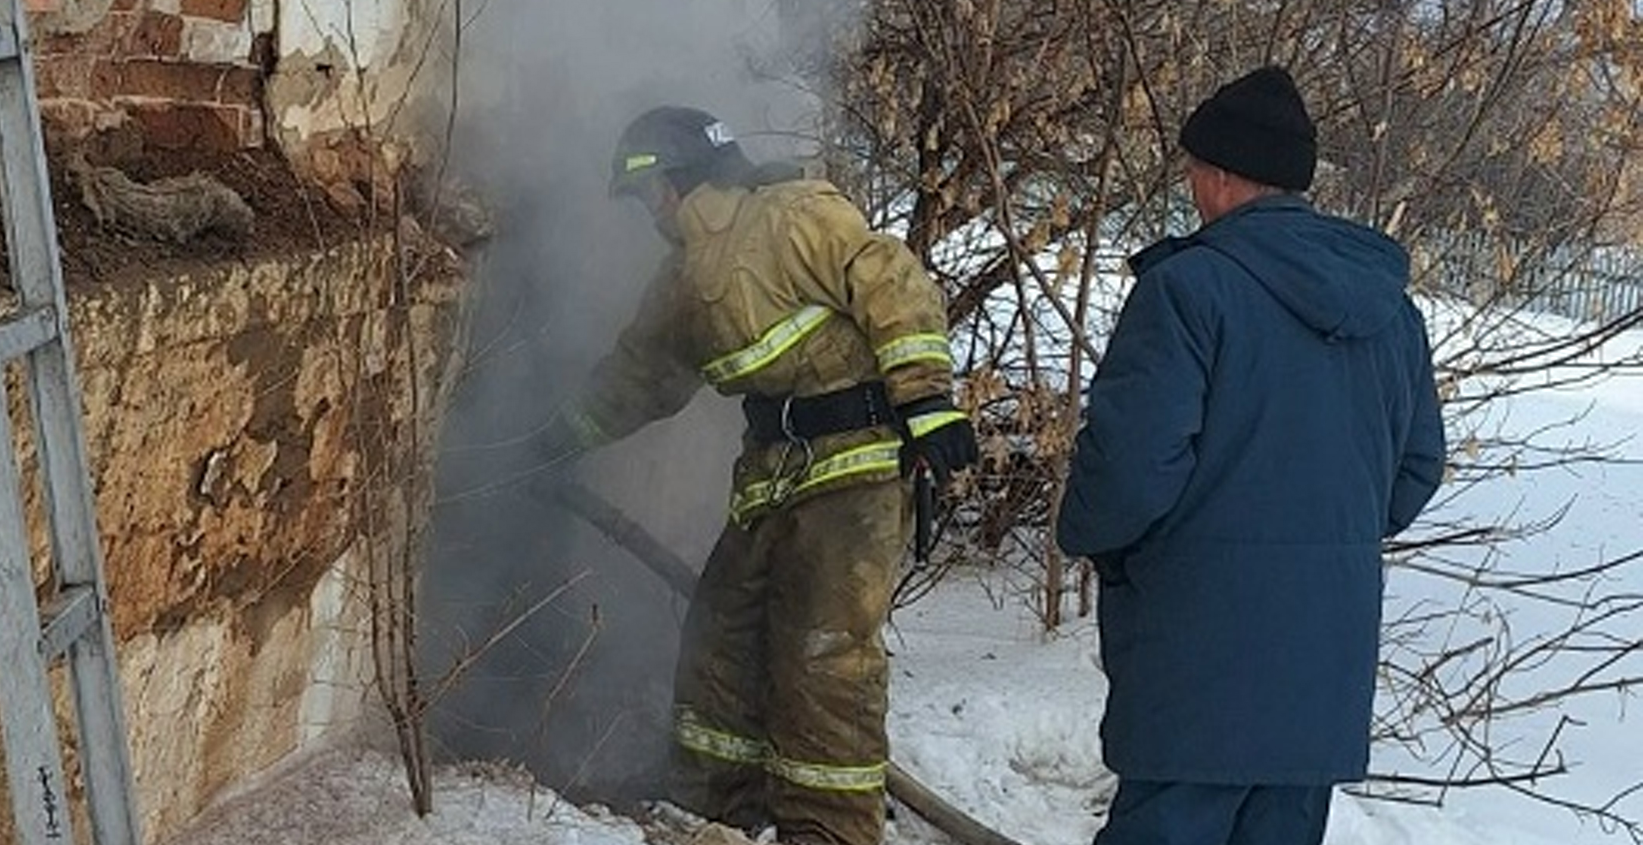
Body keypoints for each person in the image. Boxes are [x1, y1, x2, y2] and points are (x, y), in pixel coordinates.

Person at [530, 105, 977, 845]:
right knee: (720, 641)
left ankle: (828, 830)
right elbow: (639, 376)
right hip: (773, 476)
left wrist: (926, 399)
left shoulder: (794, 212)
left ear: (673, 182)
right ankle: (713, 807)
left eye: (645, 196)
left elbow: (891, 277)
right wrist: (556, 438)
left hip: (856, 472)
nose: (646, 215)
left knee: (824, 655)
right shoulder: (683, 280)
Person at [1056, 65, 1447, 845]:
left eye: (1196, 170)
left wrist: (1107, 547)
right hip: (1322, 666)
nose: (1192, 188)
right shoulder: (1390, 311)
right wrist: (1328, 540)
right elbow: (1416, 467)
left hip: (1195, 652)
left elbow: (1129, 469)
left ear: (1224, 176)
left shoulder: (1188, 290)